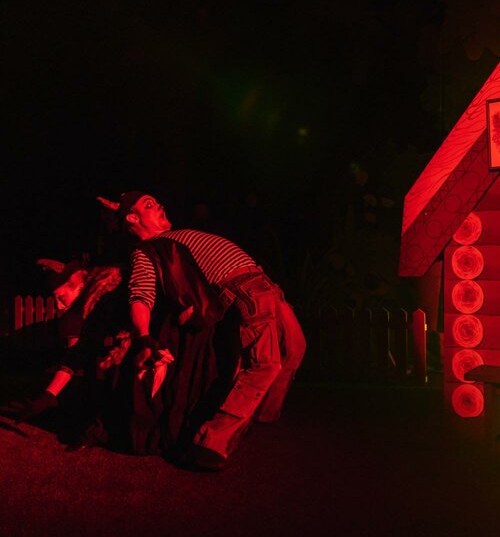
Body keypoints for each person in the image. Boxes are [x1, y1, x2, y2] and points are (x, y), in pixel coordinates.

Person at [116, 191, 306, 470]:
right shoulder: (147, 251)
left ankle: (257, 416)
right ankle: (209, 443)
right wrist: (143, 336)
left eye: (156, 202)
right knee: (264, 363)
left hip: (265, 286)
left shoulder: (173, 236)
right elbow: (140, 296)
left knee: (295, 347)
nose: (158, 205)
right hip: (243, 289)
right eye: (148, 205)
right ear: (133, 218)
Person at [2, 259, 129, 450]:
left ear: (79, 286)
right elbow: (79, 352)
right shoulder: (86, 300)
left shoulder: (104, 298)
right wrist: (48, 395)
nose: (59, 306)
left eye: (61, 297)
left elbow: (83, 348)